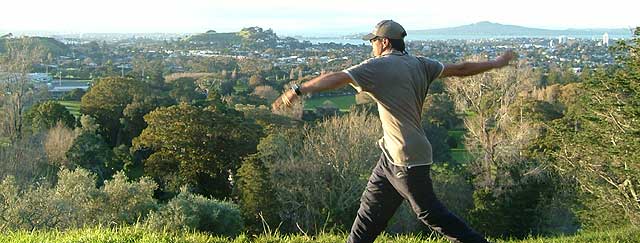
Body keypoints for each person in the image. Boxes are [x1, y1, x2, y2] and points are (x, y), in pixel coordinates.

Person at [272, 20, 515, 243]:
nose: (371, 46)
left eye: (373, 41)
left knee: (429, 213)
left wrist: (297, 90)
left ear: (384, 42)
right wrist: (494, 63)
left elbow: (337, 78)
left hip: (407, 157)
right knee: (369, 212)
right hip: (391, 154)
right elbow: (461, 69)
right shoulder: (421, 63)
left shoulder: (378, 66)